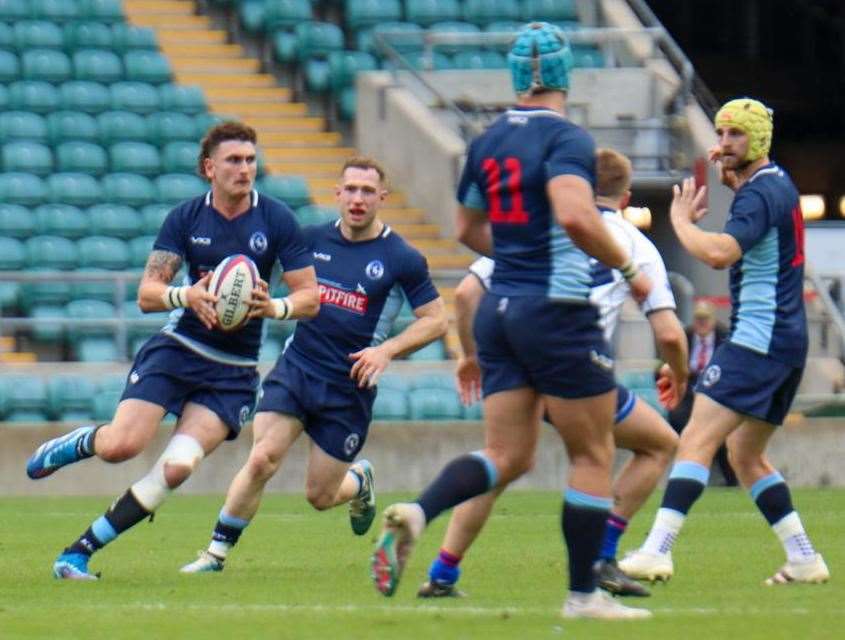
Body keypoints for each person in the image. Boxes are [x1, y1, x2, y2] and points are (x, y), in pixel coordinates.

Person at [370, 23, 654, 620]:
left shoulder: (487, 138)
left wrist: (521, 252)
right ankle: (583, 596)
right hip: (557, 312)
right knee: (593, 454)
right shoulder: (569, 139)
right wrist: (630, 265)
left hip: (500, 308)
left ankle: (420, 511)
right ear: (564, 75)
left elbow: (468, 230)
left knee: (508, 453)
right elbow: (578, 217)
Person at [25, 121, 320, 580]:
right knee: (122, 445)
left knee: (179, 467)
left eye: (250, 160)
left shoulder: (277, 219)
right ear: (209, 168)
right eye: (233, 161)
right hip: (178, 348)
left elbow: (310, 298)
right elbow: (147, 293)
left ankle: (77, 553)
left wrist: (274, 305)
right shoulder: (186, 217)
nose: (245, 169)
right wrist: (188, 296)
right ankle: (81, 441)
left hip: (233, 370)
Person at [416, 148, 687, 600]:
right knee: (656, 444)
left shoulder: (538, 229)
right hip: (578, 371)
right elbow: (673, 336)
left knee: (500, 462)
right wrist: (677, 373)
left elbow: (465, 295)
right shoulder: (635, 243)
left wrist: (471, 356)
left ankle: (442, 572)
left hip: (521, 366)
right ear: (626, 196)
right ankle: (600, 557)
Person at [179, 156, 448, 574]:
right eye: (351, 189)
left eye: (367, 191)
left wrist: (386, 351)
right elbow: (260, 276)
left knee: (320, 496)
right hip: (298, 368)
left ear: (382, 197)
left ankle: (359, 482)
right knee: (263, 457)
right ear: (337, 194)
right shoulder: (309, 241)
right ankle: (214, 553)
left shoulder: (401, 257)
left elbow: (437, 319)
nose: (358, 199)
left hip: (348, 386)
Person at [620, 98, 830, 586]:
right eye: (720, 134)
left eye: (735, 135)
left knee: (695, 439)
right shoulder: (771, 186)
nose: (723, 145)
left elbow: (719, 253)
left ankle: (656, 551)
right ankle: (803, 557)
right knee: (744, 455)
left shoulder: (760, 194)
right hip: (784, 341)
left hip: (758, 339)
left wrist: (680, 223)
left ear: (757, 139)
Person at [668, 300, 737, 486]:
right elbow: (667, 364)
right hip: (688, 392)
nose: (702, 323)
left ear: (713, 320)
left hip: (716, 391)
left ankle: (731, 479)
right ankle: (686, 475)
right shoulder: (685, 336)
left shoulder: (725, 337)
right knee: (677, 420)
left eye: (705, 319)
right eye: (698, 319)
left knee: (721, 433)